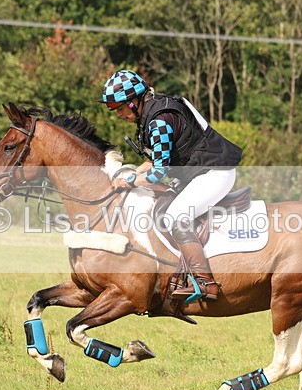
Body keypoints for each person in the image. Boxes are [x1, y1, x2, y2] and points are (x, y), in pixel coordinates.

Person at [99, 69, 242, 302]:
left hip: (215, 173)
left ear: (133, 102)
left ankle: (206, 283)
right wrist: (132, 172)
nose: (118, 115)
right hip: (197, 174)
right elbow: (152, 160)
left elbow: (158, 172)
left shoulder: (159, 121)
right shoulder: (153, 113)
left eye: (119, 109)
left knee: (176, 215)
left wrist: (131, 180)